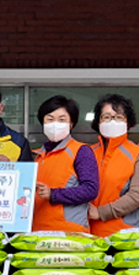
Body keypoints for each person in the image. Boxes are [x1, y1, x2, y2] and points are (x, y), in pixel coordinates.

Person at [87, 94, 139, 237]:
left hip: (124, 235)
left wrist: (101, 212)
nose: (112, 122)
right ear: (98, 122)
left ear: (128, 123)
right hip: (87, 232)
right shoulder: (87, 153)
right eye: (107, 117)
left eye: (119, 117)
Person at [32, 95, 99, 232]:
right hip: (36, 231)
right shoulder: (37, 155)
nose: (55, 124)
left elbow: (90, 189)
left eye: (62, 119)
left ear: (71, 124)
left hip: (69, 233)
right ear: (43, 123)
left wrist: (53, 194)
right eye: (50, 119)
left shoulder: (81, 151)